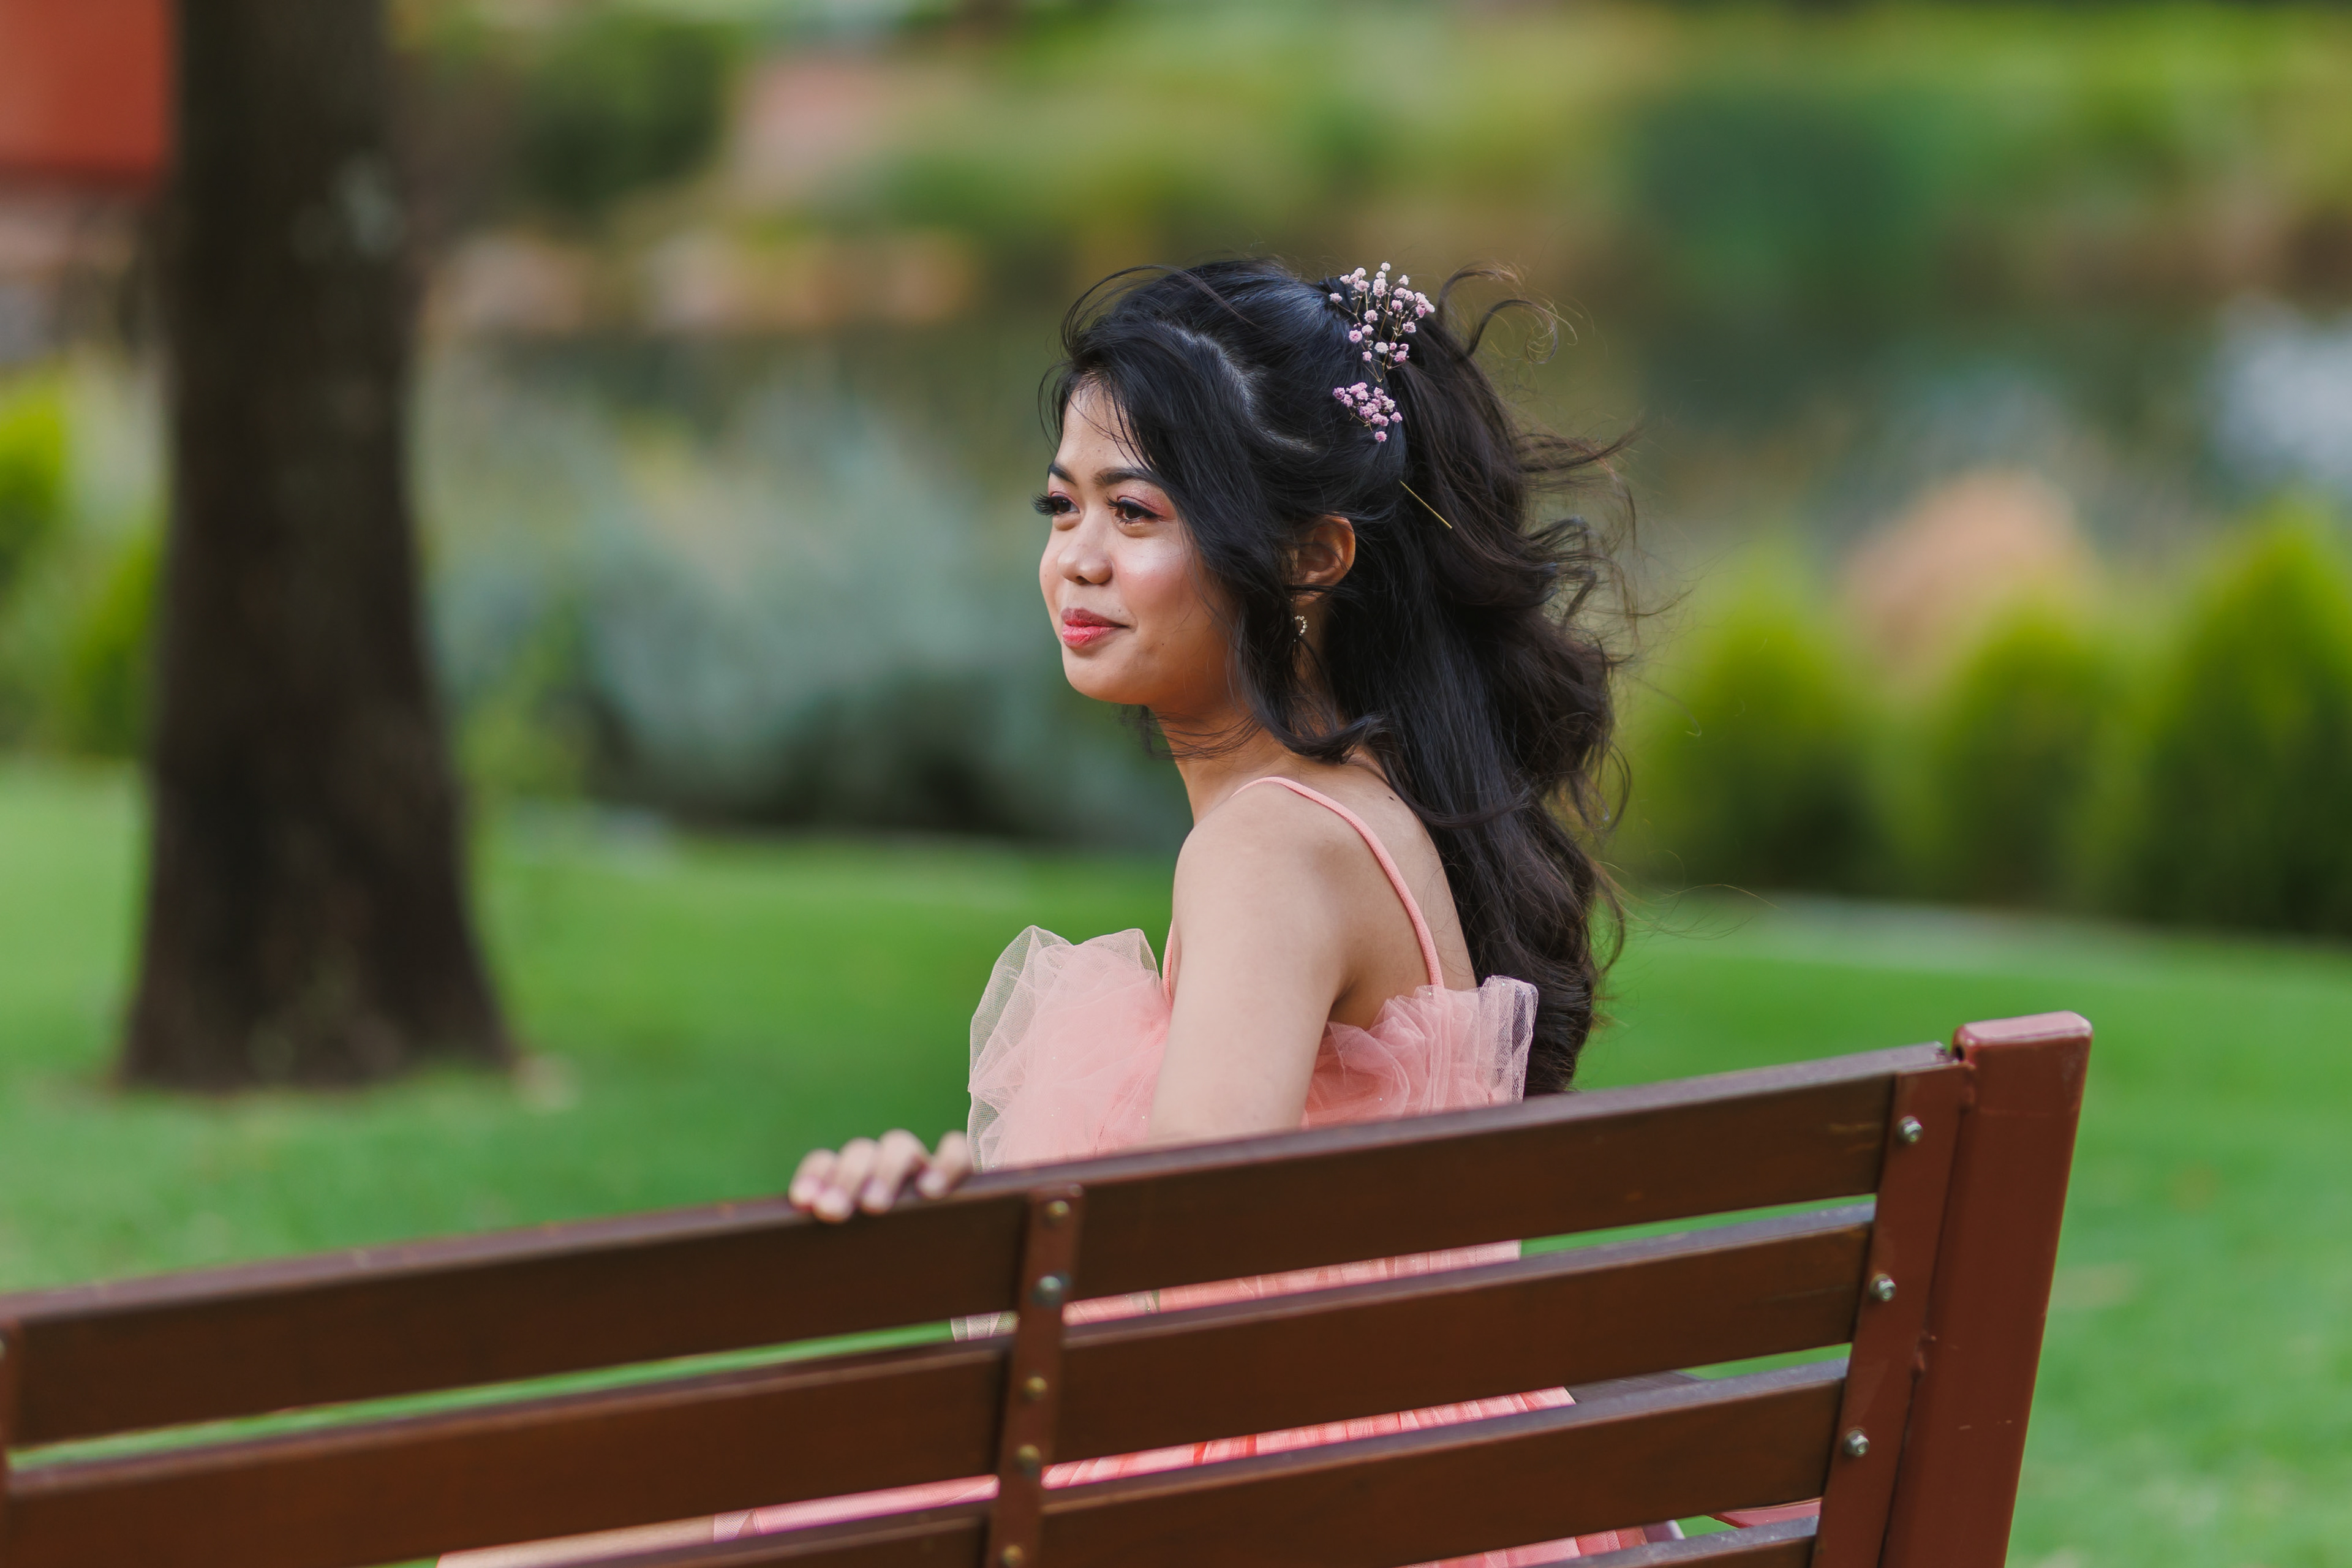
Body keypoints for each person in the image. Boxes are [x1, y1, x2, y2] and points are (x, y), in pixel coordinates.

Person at [447, 258, 1643, 1567]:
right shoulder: (1368, 809)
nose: (1077, 558)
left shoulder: (1268, 846)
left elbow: (1185, 1239)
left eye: (1137, 512)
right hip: (1366, 1478)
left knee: (522, 1549)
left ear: (1312, 556)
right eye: (1062, 505)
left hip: (1248, 1497)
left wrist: (946, 1231)